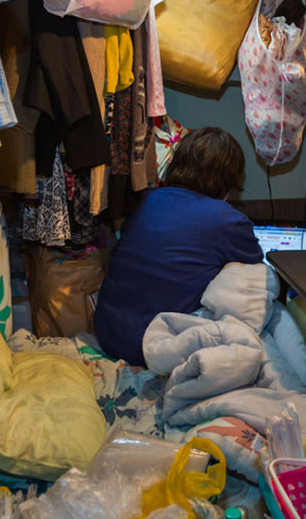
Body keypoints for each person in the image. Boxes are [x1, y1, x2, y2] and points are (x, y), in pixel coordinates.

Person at [94, 127, 263, 366]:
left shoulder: (145, 201)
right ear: (230, 177)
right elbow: (256, 271)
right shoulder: (226, 219)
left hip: (108, 333)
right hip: (152, 343)